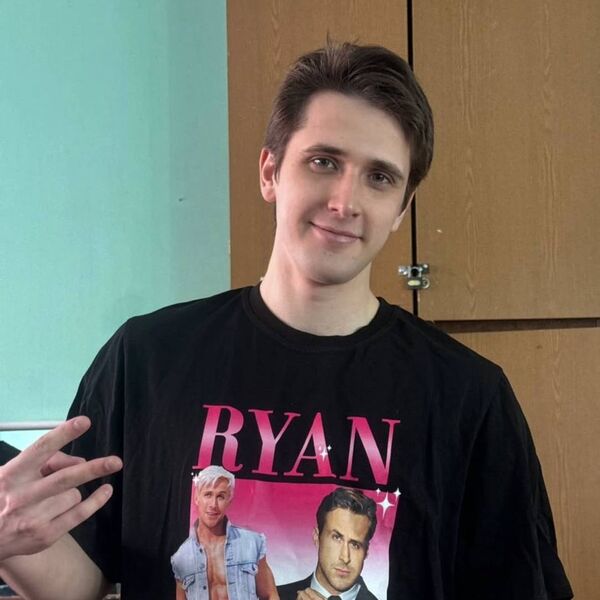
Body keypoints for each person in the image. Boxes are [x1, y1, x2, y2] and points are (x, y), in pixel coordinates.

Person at [0, 42, 573, 599]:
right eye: (324, 162)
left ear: (401, 208)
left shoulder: (469, 397)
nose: (345, 202)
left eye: (379, 177)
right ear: (270, 172)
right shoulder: (147, 359)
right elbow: (86, 582)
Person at [171, 465, 277, 600]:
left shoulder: (251, 543)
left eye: (220, 496)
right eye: (208, 494)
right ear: (196, 498)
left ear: (229, 501)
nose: (213, 505)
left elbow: (270, 595)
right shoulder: (181, 557)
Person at [277, 488, 377, 600]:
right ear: (317, 538)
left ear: (366, 552)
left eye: (355, 545)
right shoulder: (273, 596)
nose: (345, 558)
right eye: (337, 538)